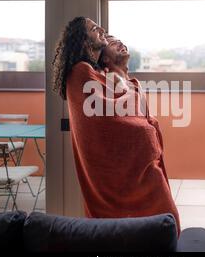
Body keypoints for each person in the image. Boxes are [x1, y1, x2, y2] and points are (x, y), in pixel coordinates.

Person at [52, 17, 180, 235]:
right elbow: (108, 123)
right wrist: (148, 129)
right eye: (110, 40)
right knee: (160, 229)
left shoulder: (122, 81)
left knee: (165, 227)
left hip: (146, 168)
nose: (116, 41)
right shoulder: (86, 73)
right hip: (122, 178)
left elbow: (132, 114)